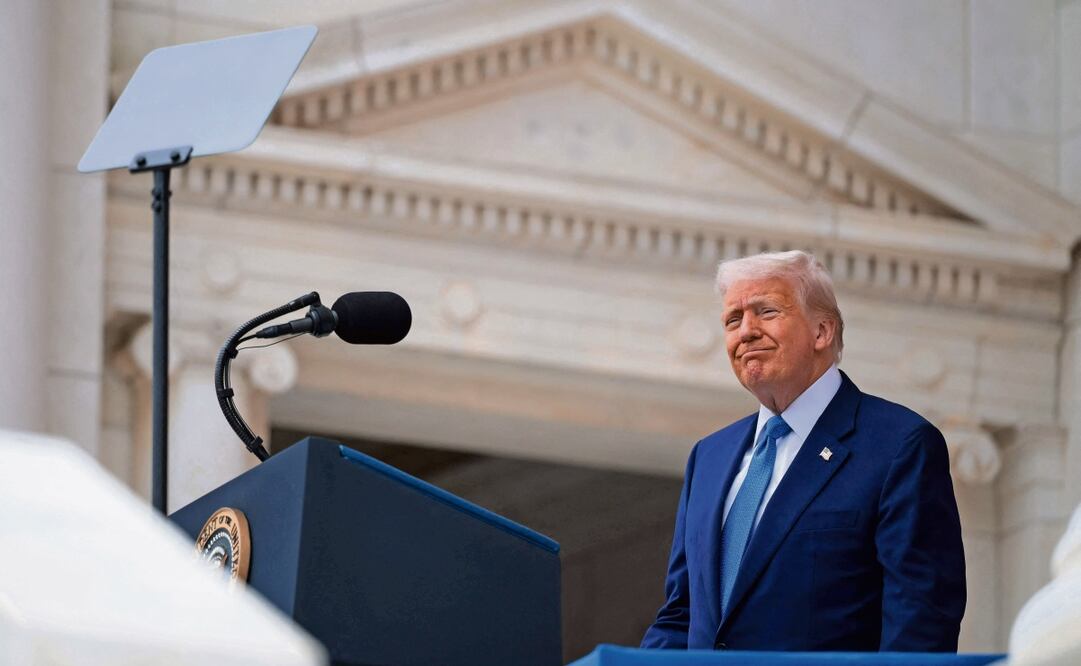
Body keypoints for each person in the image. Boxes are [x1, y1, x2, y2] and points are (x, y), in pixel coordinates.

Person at [641, 250, 966, 652]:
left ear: (822, 332)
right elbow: (681, 616)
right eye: (733, 319)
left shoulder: (900, 445)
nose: (746, 331)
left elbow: (921, 621)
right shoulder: (708, 457)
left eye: (767, 311)